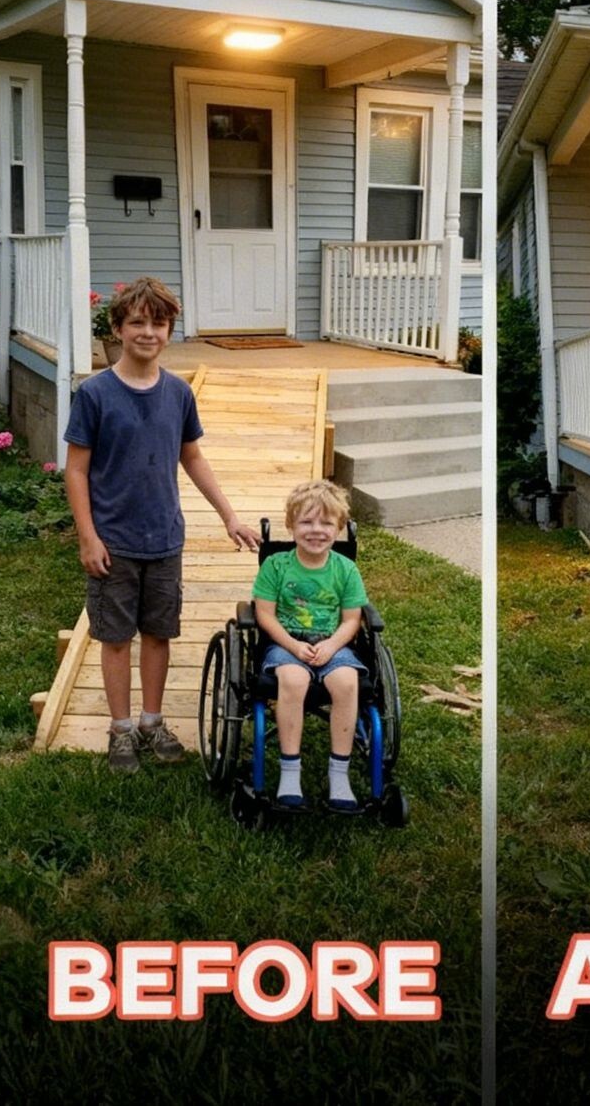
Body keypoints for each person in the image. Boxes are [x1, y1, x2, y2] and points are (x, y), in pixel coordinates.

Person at [64, 277, 259, 773]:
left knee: (158, 633)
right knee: (115, 637)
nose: (147, 332)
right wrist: (88, 536)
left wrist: (229, 514)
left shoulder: (178, 393)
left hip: (165, 539)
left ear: (169, 330)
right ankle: (121, 729)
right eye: (137, 323)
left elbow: (191, 457)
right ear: (118, 328)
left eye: (158, 323)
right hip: (113, 542)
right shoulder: (95, 394)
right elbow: (77, 469)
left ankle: (152, 721)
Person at [251, 480, 369, 813]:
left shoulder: (346, 569)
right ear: (291, 525)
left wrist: (331, 646)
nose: (315, 530)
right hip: (285, 643)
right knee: (294, 679)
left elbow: (351, 620)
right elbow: (264, 614)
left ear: (339, 528)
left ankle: (339, 774)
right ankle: (290, 772)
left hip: (333, 645)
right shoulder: (275, 566)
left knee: (347, 683)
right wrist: (293, 645)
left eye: (326, 523)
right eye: (306, 522)